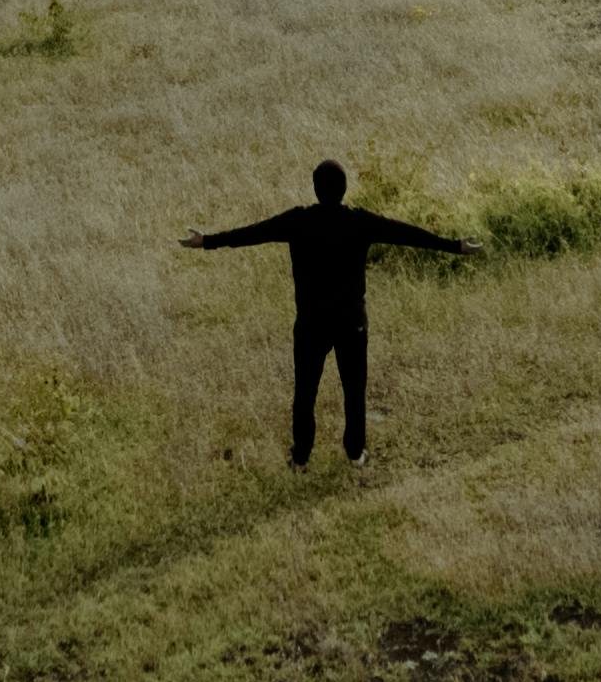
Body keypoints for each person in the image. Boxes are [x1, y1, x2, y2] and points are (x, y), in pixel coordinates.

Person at [181, 159, 473, 468]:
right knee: (354, 389)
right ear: (344, 190)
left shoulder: (298, 221)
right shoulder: (359, 221)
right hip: (351, 322)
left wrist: (206, 241)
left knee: (305, 393)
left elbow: (253, 233)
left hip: (311, 323)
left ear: (315, 189)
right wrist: (455, 246)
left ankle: (302, 456)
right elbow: (406, 233)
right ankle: (355, 452)